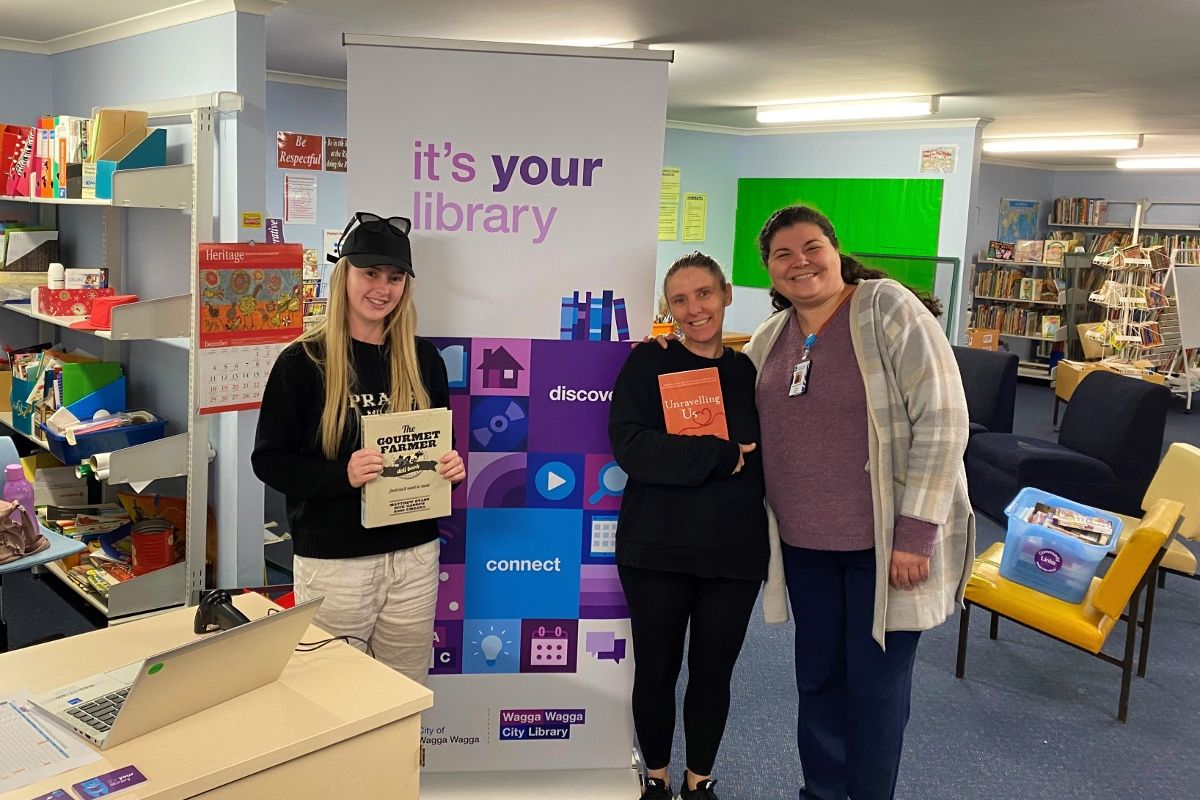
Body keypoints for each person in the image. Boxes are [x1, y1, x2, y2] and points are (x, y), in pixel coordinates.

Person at [742, 206, 974, 800]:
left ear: (835, 250)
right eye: (783, 255)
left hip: (885, 547)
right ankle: (820, 793)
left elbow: (944, 420)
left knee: (874, 690)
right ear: (768, 271)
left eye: (811, 247)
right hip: (805, 546)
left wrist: (915, 533)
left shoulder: (885, 307)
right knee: (818, 681)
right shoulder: (770, 339)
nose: (800, 263)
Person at [252, 211, 465, 684]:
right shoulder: (302, 362)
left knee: (404, 693)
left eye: (394, 277)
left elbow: (437, 444)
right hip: (335, 561)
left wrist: (448, 465)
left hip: (413, 556)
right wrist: (340, 476)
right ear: (344, 273)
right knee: (332, 695)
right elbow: (269, 460)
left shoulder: (423, 360)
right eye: (370, 273)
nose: (382, 288)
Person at [609, 253, 768, 800]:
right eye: (680, 299)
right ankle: (654, 778)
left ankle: (699, 782)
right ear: (668, 309)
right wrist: (718, 457)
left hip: (734, 550)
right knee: (655, 670)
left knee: (712, 673)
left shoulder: (753, 370)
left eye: (704, 294)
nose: (694, 308)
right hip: (656, 546)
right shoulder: (646, 365)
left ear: (725, 293)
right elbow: (632, 447)